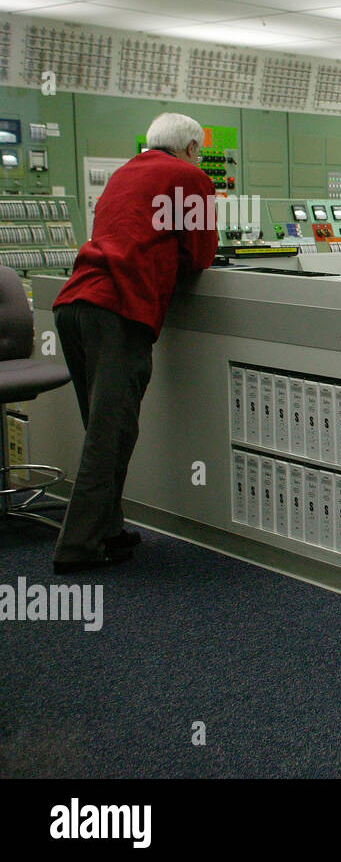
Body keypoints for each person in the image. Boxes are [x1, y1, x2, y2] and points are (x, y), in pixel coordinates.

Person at [50, 113, 218, 573]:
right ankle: (76, 547)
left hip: (73, 305)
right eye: (198, 150)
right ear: (188, 148)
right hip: (119, 310)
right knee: (110, 434)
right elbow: (202, 254)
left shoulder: (125, 172)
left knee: (110, 430)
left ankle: (106, 531)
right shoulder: (190, 177)